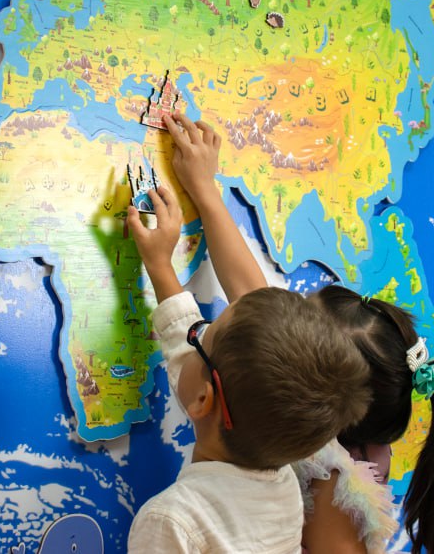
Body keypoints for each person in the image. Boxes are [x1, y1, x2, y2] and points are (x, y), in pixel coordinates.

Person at [160, 111, 434, 554]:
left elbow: (252, 298)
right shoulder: (324, 434)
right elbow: (252, 294)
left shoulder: (334, 483)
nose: (282, 312)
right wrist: (204, 190)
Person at [126, 181, 373, 554]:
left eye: (201, 339)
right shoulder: (285, 485)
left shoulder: (172, 522)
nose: (194, 337)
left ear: (205, 399)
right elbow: (195, 367)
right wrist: (160, 267)